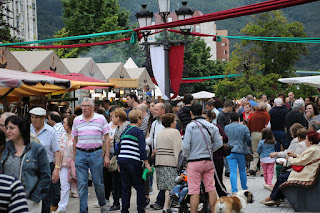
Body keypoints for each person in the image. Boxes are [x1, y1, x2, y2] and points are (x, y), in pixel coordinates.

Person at [1, 116, 51, 212]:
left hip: (30, 201)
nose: (8, 131)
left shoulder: (37, 149)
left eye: (11, 128)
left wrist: (35, 197)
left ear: (21, 128)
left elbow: (45, 176)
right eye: (6, 128)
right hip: (6, 199)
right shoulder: (4, 148)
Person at [260, 130, 320, 206]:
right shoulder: (315, 149)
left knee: (282, 177)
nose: (305, 141)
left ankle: (273, 198)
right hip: (310, 173)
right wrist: (294, 155)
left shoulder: (312, 150)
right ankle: (275, 197)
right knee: (284, 177)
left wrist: (289, 159)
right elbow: (305, 159)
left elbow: (300, 161)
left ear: (311, 141)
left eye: (306, 139)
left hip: (307, 174)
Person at [72, 98, 110, 213]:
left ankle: (102, 203)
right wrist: (74, 157)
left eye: (86, 106)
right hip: (81, 153)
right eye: (82, 105)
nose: (84, 108)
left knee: (98, 182)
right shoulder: (77, 120)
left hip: (96, 153)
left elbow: (107, 138)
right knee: (82, 184)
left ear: (92, 107)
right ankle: (83, 210)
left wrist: (107, 155)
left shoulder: (101, 119)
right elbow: (75, 139)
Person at [182, 103, 222, 213]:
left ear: (191, 113)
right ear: (201, 112)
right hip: (208, 160)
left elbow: (185, 146)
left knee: (194, 190)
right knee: (211, 187)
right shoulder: (212, 126)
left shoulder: (190, 126)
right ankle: (213, 210)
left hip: (194, 161)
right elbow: (219, 143)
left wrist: (187, 156)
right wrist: (209, 151)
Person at [117, 109, 152, 213]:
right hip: (133, 161)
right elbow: (142, 149)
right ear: (138, 119)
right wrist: (147, 164)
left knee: (125, 187)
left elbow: (118, 147)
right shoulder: (139, 132)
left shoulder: (125, 131)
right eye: (141, 118)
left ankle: (124, 210)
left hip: (122, 160)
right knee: (139, 186)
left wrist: (119, 162)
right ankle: (140, 209)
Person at [29, 107, 61, 213]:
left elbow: (57, 151)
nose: (33, 120)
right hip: (30, 167)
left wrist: (56, 169)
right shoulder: (27, 130)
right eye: (32, 117)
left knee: (45, 196)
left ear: (43, 118)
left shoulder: (50, 131)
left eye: (36, 117)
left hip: (47, 166)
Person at [155, 113, 182, 212]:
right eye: (174, 121)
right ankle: (166, 207)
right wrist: (179, 164)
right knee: (170, 186)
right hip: (170, 162)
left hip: (159, 161)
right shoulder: (175, 132)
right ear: (171, 122)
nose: (176, 122)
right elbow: (178, 150)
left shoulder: (160, 132)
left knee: (166, 187)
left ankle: (166, 207)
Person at [108, 108, 131, 212]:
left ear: (118, 117)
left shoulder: (125, 127)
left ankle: (120, 203)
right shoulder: (118, 127)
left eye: (113, 116)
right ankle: (117, 202)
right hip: (119, 157)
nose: (111, 118)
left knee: (122, 182)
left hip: (124, 158)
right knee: (116, 181)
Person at [54, 114, 77, 213]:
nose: (63, 124)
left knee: (79, 184)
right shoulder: (63, 135)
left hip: (75, 164)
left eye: (65, 122)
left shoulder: (76, 136)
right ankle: (62, 207)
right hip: (63, 163)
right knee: (64, 185)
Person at [225, 112, 252, 193]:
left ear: (230, 119)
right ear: (238, 119)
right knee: (242, 170)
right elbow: (248, 140)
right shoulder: (243, 127)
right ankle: (244, 188)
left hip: (230, 151)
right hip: (241, 150)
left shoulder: (226, 128)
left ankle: (234, 189)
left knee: (232, 171)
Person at [146, 103, 166, 210]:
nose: (153, 111)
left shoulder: (167, 123)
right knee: (160, 179)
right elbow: (151, 138)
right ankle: (162, 200)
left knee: (164, 179)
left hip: (165, 155)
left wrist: (159, 148)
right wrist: (141, 143)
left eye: (156, 109)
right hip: (156, 156)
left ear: (163, 110)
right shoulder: (154, 124)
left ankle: (161, 201)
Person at [247, 102, 270, 176]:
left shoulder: (253, 115)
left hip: (254, 134)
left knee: (255, 152)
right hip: (263, 134)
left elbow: (249, 125)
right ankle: (263, 171)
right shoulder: (266, 115)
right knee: (263, 152)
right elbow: (268, 125)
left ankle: (252, 168)